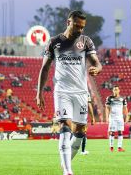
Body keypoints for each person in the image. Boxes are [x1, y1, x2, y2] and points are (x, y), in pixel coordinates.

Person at [36, 10, 102, 175]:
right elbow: (45, 68)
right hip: (62, 91)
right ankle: (67, 170)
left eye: (82, 27)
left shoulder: (86, 41)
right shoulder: (54, 42)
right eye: (77, 26)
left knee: (80, 133)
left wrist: (98, 68)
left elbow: (96, 62)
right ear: (68, 22)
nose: (80, 30)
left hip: (80, 92)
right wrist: (39, 93)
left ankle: (64, 161)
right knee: (65, 126)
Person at [105, 85, 128, 152]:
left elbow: (125, 108)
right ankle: (111, 147)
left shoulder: (122, 99)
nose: (115, 91)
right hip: (112, 117)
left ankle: (119, 147)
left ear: (119, 90)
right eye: (114, 89)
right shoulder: (109, 98)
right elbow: (107, 108)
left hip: (120, 117)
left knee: (120, 131)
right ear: (113, 91)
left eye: (116, 89)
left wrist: (126, 116)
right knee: (112, 132)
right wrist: (106, 117)